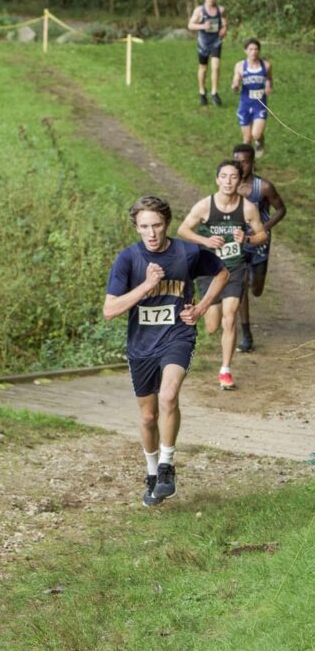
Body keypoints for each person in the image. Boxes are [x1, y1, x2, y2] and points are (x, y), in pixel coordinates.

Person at [104, 196, 227, 506]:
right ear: (136, 227)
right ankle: (151, 474)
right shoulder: (128, 259)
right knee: (147, 417)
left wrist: (200, 307)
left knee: (169, 395)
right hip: (142, 344)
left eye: (157, 225)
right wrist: (146, 286)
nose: (152, 233)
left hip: (177, 336)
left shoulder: (187, 252)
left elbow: (222, 272)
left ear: (167, 223)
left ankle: (167, 467)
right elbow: (110, 310)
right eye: (144, 226)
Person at [175, 161, 268, 390]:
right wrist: (205, 240)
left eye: (233, 177)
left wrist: (246, 239)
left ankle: (225, 370)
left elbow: (262, 235)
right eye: (224, 176)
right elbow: (182, 229)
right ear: (217, 180)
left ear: (239, 180)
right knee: (212, 325)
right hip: (210, 269)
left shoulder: (247, 208)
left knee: (230, 317)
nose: (228, 181)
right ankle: (202, 313)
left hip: (235, 268)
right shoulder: (205, 206)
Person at [232, 143, 287, 352]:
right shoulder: (230, 186)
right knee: (241, 284)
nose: (240, 166)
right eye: (236, 162)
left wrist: (264, 228)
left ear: (252, 163)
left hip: (260, 241)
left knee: (256, 288)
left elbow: (281, 209)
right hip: (238, 241)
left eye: (244, 162)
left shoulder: (263, 187)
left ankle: (255, 284)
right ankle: (247, 335)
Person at [231, 39, 273, 157]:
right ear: (245, 51)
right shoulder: (240, 66)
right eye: (250, 49)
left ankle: (260, 141)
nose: (253, 52)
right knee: (247, 138)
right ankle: (248, 163)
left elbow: (269, 79)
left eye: (256, 49)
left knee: (256, 134)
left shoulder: (266, 65)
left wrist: (268, 86)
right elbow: (236, 79)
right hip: (245, 105)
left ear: (259, 51)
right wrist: (235, 85)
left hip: (259, 104)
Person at [188, 0, 227, 106]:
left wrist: (224, 29)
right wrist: (203, 26)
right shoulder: (199, 10)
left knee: (215, 66)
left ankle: (214, 93)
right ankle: (202, 92)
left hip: (216, 41)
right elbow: (190, 25)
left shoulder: (221, 10)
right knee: (203, 68)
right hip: (203, 43)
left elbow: (225, 22)